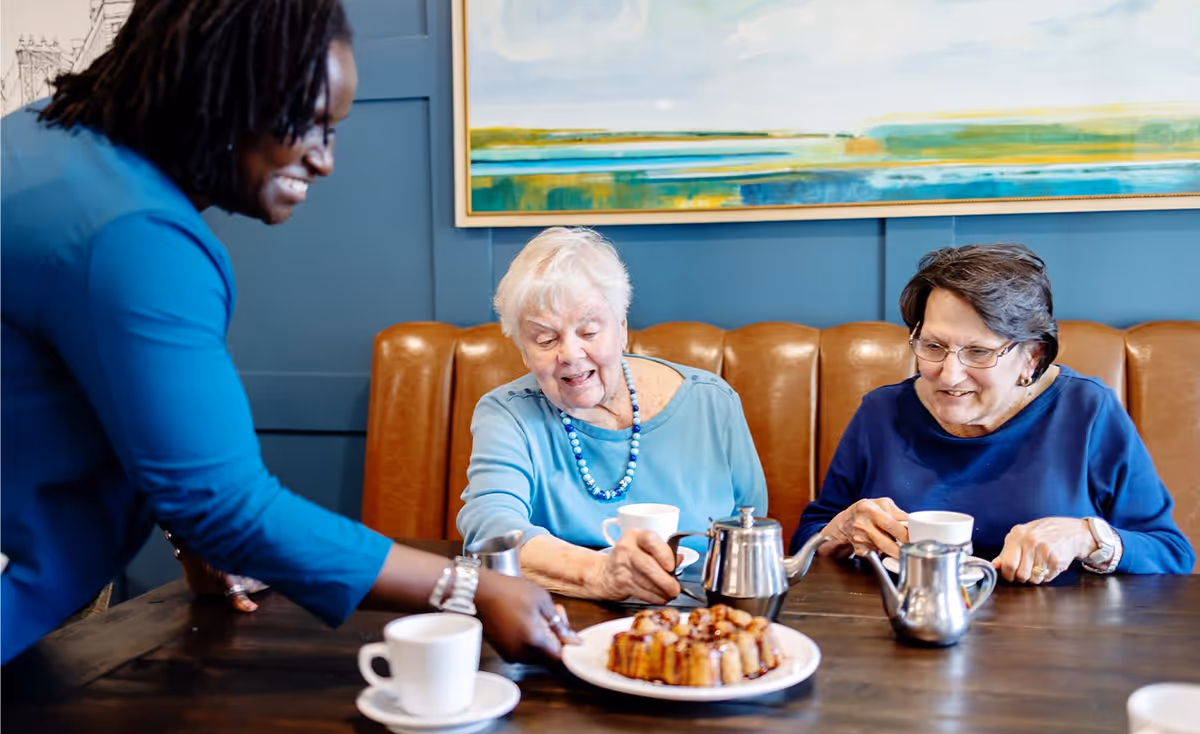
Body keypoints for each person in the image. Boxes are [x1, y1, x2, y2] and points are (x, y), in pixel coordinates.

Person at [1, 0, 573, 665]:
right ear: (220, 86)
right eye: (309, 123)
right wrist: (469, 588)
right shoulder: (137, 239)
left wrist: (191, 533)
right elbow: (225, 503)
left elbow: (117, 396)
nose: (324, 159)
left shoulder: (41, 139)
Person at [791, 243, 1194, 582]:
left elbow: (1170, 552)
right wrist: (841, 530)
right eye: (932, 346)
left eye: (979, 352)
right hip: (904, 631)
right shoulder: (881, 412)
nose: (948, 374)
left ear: (1031, 358)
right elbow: (808, 540)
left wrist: (1087, 538)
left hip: (1055, 646)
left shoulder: (1086, 411)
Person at [457, 227, 768, 605]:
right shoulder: (507, 414)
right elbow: (492, 531)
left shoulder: (712, 402)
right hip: (561, 628)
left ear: (621, 328)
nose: (570, 353)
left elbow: (749, 528)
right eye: (545, 340)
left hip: (702, 628)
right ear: (523, 351)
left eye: (588, 331)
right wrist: (599, 575)